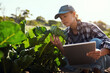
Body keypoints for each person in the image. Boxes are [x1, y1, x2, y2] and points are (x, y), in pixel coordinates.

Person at [50, 5, 110, 73]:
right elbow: (69, 56)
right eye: (61, 18)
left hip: (103, 59)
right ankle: (86, 70)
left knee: (96, 41)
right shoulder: (66, 33)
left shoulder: (89, 26)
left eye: (65, 16)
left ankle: (97, 70)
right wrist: (60, 47)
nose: (63, 20)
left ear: (74, 14)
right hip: (83, 62)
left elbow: (108, 41)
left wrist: (101, 52)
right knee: (63, 63)